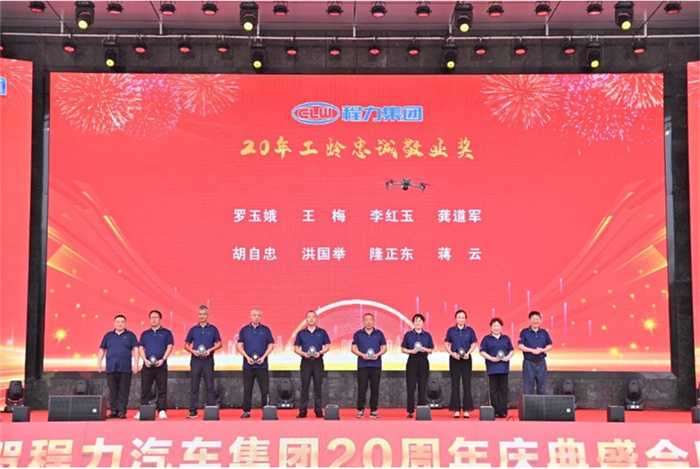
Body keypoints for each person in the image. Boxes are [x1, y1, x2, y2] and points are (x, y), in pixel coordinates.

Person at [184, 305, 222, 419]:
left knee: (210, 385)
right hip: (195, 360)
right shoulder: (193, 330)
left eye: (204, 314)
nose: (202, 316)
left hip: (208, 360)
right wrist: (193, 351)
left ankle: (211, 410)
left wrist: (210, 350)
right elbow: (186, 345)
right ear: (197, 315)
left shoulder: (213, 329)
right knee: (194, 386)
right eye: (200, 314)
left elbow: (219, 344)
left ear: (207, 315)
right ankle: (193, 411)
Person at [97, 314, 139, 419]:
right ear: (114, 323)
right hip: (111, 367)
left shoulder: (130, 335)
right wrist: (99, 362)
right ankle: (113, 411)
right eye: (118, 322)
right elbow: (102, 349)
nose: (120, 324)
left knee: (124, 391)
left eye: (122, 322)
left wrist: (136, 363)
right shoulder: (108, 336)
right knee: (112, 390)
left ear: (125, 323)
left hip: (125, 368)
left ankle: (122, 411)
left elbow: (136, 350)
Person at [135, 309, 174, 419]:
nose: (154, 319)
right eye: (152, 317)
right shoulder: (145, 334)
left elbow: (170, 347)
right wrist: (145, 360)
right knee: (145, 389)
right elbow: (141, 348)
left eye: (156, 317)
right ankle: (143, 409)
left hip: (161, 365)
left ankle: (161, 410)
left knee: (162, 389)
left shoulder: (167, 333)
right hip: (147, 366)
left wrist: (163, 359)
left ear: (160, 319)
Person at [237, 307, 275, 418]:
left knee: (265, 389)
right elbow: (239, 346)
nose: (256, 317)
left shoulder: (266, 330)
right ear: (250, 316)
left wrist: (263, 357)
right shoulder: (244, 330)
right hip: (248, 365)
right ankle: (247, 411)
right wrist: (246, 357)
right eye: (254, 315)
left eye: (258, 315)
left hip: (262, 365)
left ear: (261, 317)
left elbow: (271, 345)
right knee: (247, 389)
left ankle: (266, 410)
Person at [294, 310, 331, 418]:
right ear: (306, 319)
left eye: (313, 317)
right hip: (305, 362)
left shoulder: (322, 332)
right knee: (305, 386)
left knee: (318, 387)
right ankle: (303, 410)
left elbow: (327, 346)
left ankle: (318, 411)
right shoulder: (301, 333)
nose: (311, 319)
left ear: (316, 319)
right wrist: (303, 354)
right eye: (308, 317)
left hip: (318, 361)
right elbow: (296, 348)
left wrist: (320, 353)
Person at [351, 313, 387, 418]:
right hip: (363, 365)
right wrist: (362, 355)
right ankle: (361, 409)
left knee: (375, 388)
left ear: (373, 321)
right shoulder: (358, 334)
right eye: (366, 320)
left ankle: (373, 410)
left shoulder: (379, 333)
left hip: (376, 364)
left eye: (370, 319)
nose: (368, 322)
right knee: (362, 388)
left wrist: (378, 354)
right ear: (363, 321)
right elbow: (353, 348)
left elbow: (384, 348)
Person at [444, 309, 478, 418]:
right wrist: (452, 353)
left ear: (465, 319)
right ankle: (456, 409)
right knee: (455, 384)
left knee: (467, 384)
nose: (461, 319)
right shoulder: (451, 330)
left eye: (463, 317)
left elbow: (474, 344)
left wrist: (468, 353)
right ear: (455, 319)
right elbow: (446, 344)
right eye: (459, 317)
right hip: (454, 359)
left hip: (466, 359)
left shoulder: (470, 330)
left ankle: (467, 409)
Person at [479, 317, 515, 418]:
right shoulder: (486, 339)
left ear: (501, 327)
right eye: (494, 326)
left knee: (503, 389)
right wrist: (490, 358)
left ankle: (503, 411)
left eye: (498, 325)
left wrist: (508, 357)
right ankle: (494, 410)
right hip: (492, 368)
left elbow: (511, 350)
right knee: (493, 390)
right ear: (491, 327)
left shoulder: (506, 338)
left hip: (503, 368)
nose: (496, 328)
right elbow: (482, 351)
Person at [400, 313, 434, 418]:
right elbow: (403, 349)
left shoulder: (427, 335)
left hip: (423, 360)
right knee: (411, 386)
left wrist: (426, 349)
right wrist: (411, 351)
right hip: (412, 360)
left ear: (423, 323)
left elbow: (431, 350)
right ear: (413, 323)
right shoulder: (408, 335)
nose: (418, 323)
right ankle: (410, 411)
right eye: (416, 321)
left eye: (420, 321)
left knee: (422, 386)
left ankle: (421, 409)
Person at [518, 310, 553, 395]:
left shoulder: (544, 332)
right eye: (533, 319)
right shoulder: (524, 332)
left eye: (537, 319)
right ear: (529, 320)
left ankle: (541, 404)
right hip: (528, 363)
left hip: (541, 363)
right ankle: (529, 404)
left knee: (542, 387)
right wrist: (532, 350)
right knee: (528, 388)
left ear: (540, 320)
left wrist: (542, 350)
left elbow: (550, 345)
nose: (535, 321)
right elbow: (520, 346)